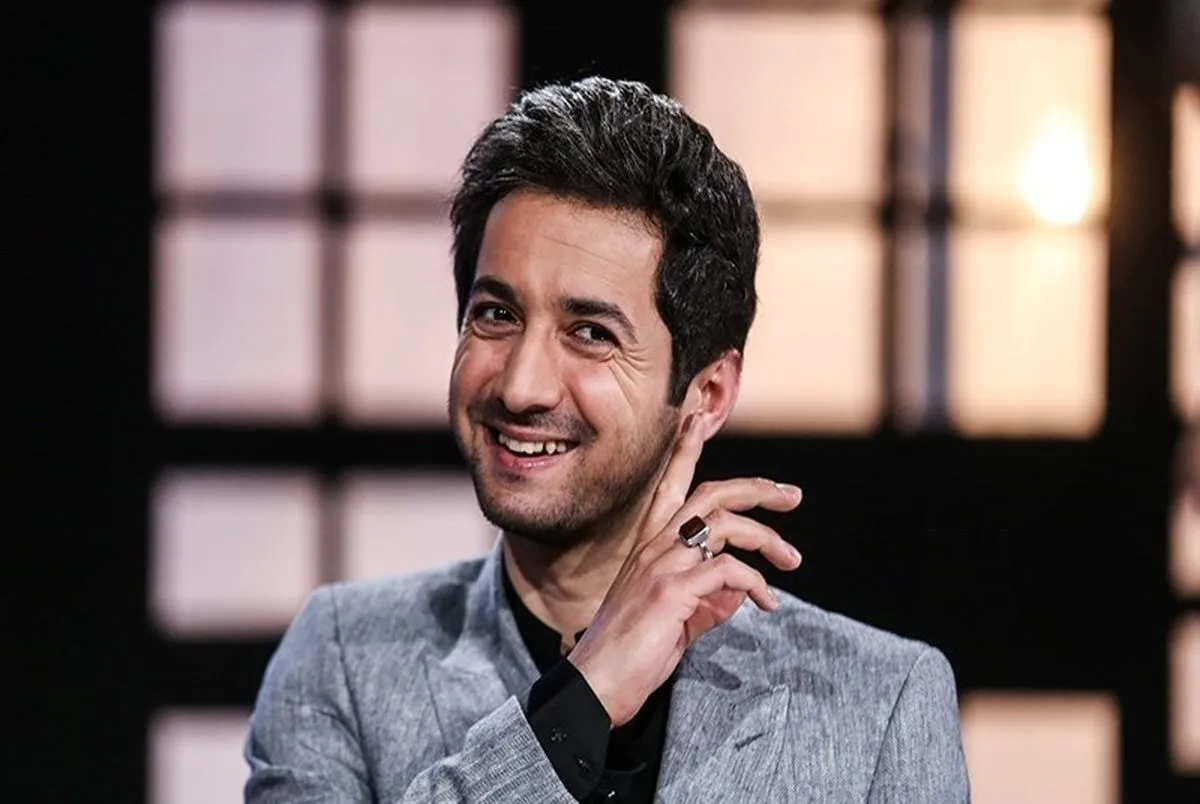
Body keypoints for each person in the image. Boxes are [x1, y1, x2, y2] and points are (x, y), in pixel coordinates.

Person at [244, 76, 969, 803]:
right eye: (496, 315)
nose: (521, 386)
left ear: (707, 394)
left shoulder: (879, 703)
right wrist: (581, 701)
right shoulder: (344, 657)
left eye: (590, 333)